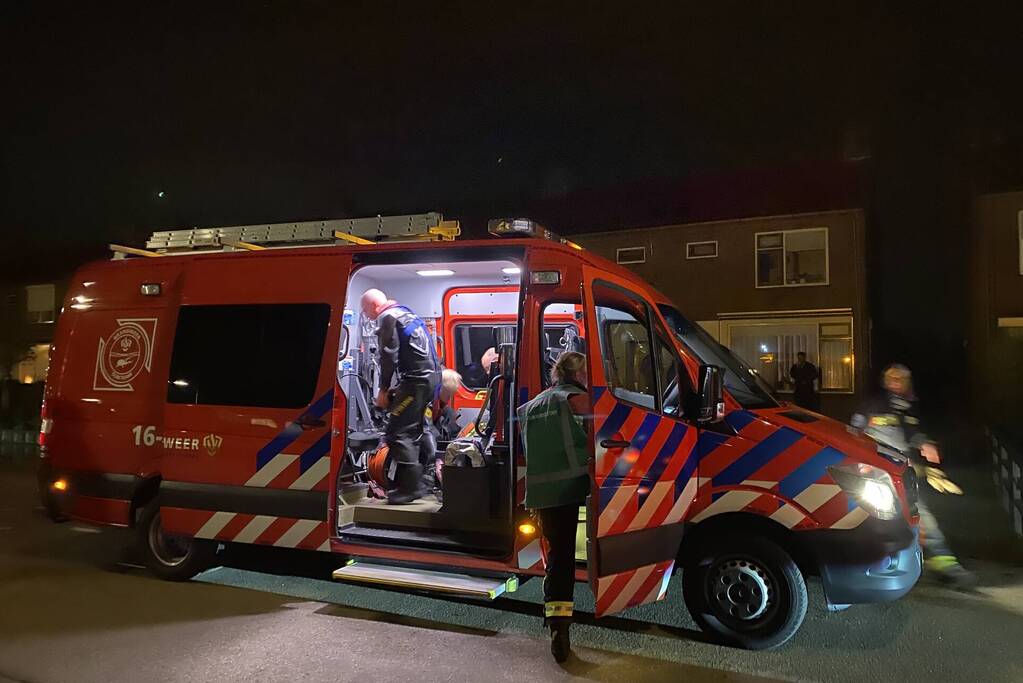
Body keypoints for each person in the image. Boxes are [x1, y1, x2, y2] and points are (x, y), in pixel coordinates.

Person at [851, 364, 976, 588]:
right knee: (875, 519)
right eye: (892, 378)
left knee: (921, 517)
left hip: (902, 474)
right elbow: (854, 433)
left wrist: (924, 444)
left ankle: (944, 565)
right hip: (877, 473)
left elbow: (912, 433)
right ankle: (869, 566)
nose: (896, 383)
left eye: (901, 379)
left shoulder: (908, 407)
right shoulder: (872, 404)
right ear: (885, 381)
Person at [516, 351, 591, 663]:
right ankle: (562, 629)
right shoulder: (578, 401)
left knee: (557, 561)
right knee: (572, 559)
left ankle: (557, 625)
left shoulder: (530, 407)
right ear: (578, 375)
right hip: (574, 489)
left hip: (542, 496)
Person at [360, 288, 441, 504]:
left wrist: (384, 389)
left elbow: (388, 355)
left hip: (415, 381)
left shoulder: (387, 316)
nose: (366, 315)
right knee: (420, 427)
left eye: (365, 310)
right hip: (429, 379)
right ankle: (426, 481)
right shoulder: (408, 314)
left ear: (375, 306)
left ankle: (410, 487)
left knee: (397, 431)